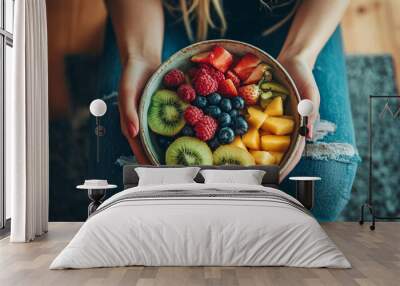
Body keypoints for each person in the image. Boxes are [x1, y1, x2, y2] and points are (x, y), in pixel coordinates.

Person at [100, 0, 359, 221]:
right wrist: (140, 55)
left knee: (323, 183)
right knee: (119, 180)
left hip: (292, 16)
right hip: (168, 13)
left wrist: (300, 55)